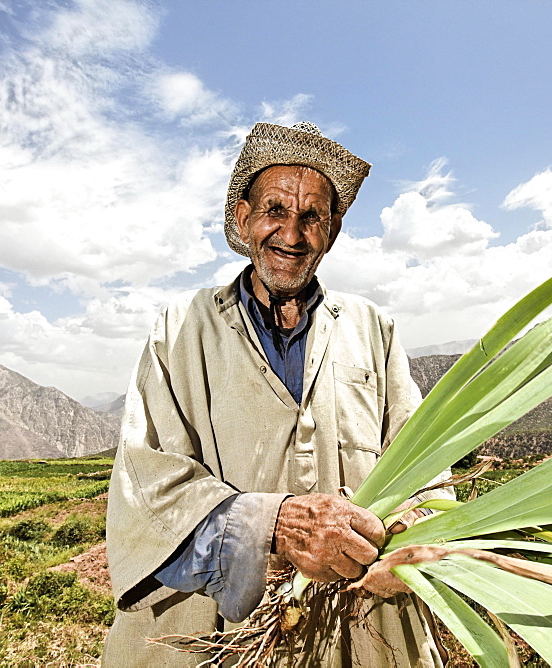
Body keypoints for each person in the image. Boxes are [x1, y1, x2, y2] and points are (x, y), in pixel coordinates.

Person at [103, 122, 450, 666]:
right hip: (227, 638)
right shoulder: (182, 328)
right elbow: (147, 485)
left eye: (312, 216)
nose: (292, 234)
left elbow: (423, 460)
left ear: (330, 232)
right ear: (244, 220)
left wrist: (413, 529)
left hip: (362, 630)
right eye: (275, 210)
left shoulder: (371, 327)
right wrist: (276, 525)